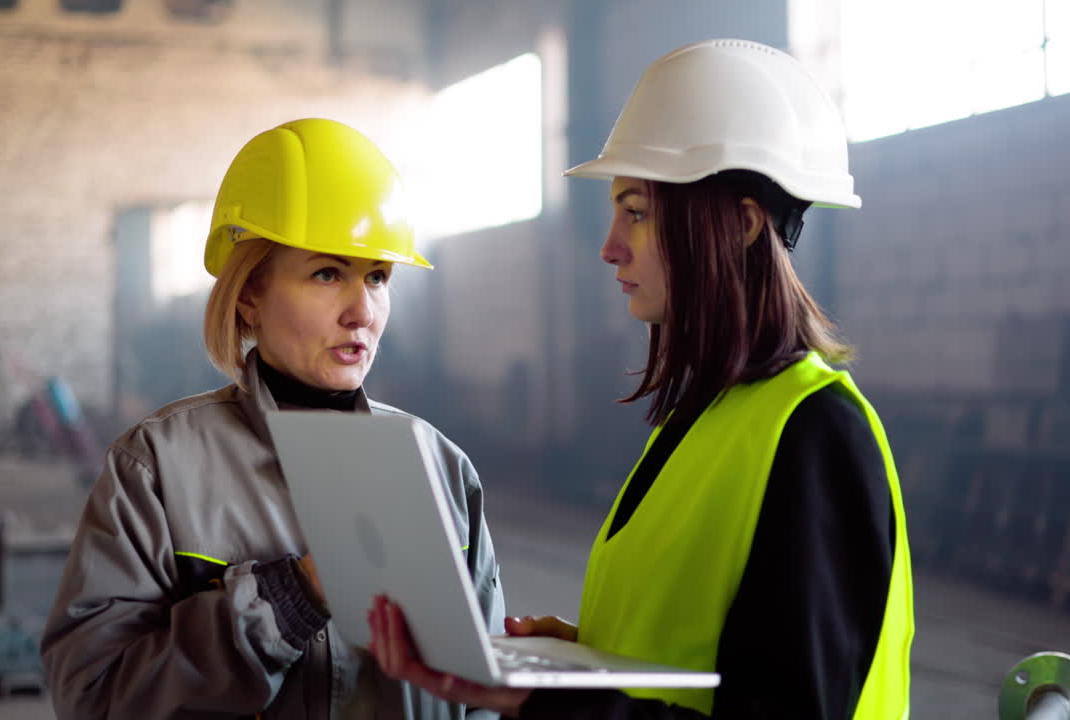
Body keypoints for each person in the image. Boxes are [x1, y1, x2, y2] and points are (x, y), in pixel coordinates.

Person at [367, 39, 914, 720]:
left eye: (637, 212)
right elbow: (705, 659)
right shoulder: (708, 420)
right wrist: (584, 663)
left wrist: (541, 702)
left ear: (742, 225)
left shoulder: (815, 435)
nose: (609, 247)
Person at [41, 118, 506, 720]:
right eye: (327, 273)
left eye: (377, 277)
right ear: (249, 294)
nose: (362, 311)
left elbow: (483, 699)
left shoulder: (441, 468)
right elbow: (94, 696)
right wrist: (290, 599)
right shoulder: (157, 468)